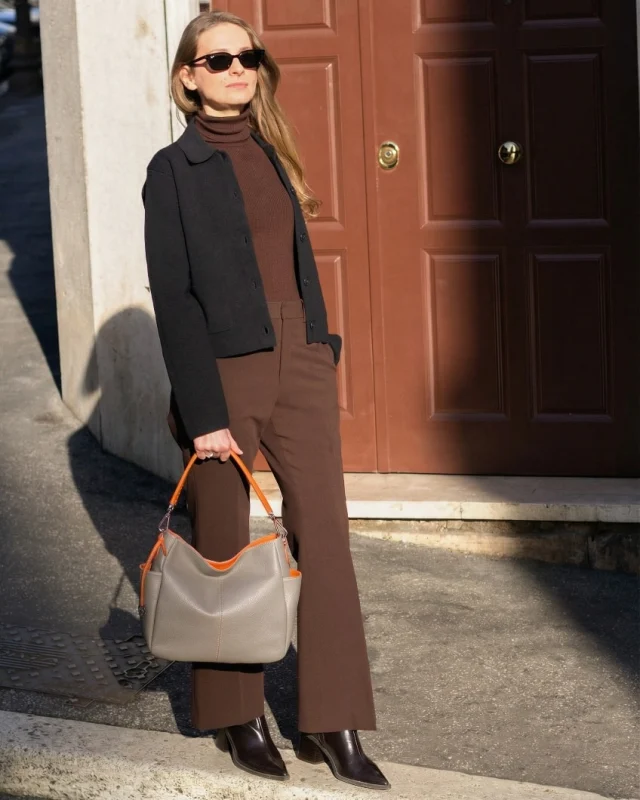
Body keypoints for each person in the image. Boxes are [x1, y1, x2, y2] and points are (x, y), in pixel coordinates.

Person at [142, 10, 390, 791]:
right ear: (188, 77)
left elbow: (292, 261)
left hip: (299, 363)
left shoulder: (272, 151)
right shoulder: (171, 169)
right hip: (221, 370)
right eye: (218, 60)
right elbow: (174, 297)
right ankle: (235, 714)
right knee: (222, 543)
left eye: (247, 56)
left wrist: (319, 343)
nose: (237, 69)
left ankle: (334, 719)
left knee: (326, 533)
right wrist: (204, 410)